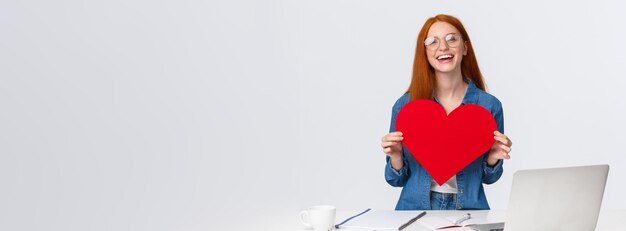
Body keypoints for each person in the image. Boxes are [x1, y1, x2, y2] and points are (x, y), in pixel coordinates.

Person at [381, 14, 513, 210]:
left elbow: (489, 178)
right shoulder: (406, 107)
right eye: (432, 42)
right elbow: (395, 180)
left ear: (465, 48)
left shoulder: (489, 106)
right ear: (424, 53)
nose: (443, 47)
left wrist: (493, 157)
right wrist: (396, 156)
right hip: (415, 210)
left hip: (469, 211)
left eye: (452, 39)